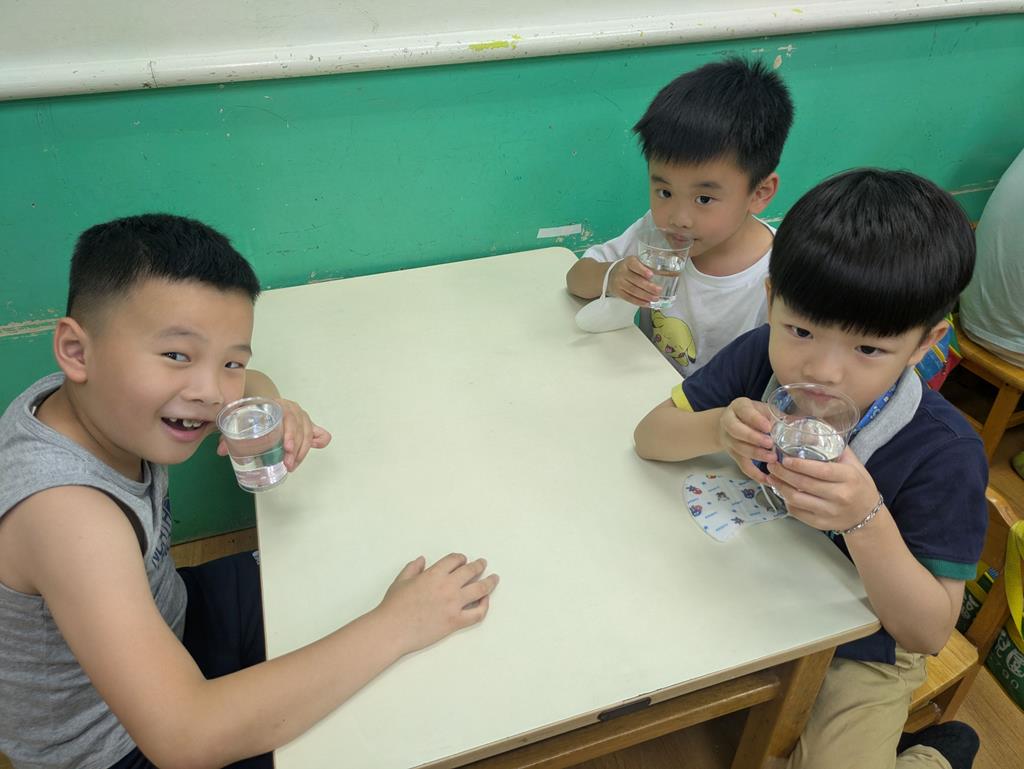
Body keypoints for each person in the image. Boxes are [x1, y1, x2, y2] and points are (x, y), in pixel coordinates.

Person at [0, 214, 499, 769]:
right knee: (382, 718)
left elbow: (247, 389)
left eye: (231, 362)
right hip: (120, 746)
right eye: (176, 355)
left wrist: (274, 405)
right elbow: (186, 737)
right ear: (76, 351)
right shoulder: (67, 516)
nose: (211, 392)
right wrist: (399, 626)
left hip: (170, 615)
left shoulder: (84, 398)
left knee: (332, 576)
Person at [634, 170, 986, 769]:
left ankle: (933, 757)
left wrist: (865, 518)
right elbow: (649, 438)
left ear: (924, 345)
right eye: (801, 330)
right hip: (757, 579)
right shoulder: (760, 355)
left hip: (868, 639)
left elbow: (927, 632)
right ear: (772, 300)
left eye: (868, 349)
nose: (822, 371)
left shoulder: (944, 451)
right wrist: (717, 428)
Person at [566, 57, 793, 375]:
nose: (679, 218)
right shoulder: (656, 233)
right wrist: (613, 276)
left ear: (760, 193)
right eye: (664, 192)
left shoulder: (781, 276)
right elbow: (576, 278)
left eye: (704, 199)